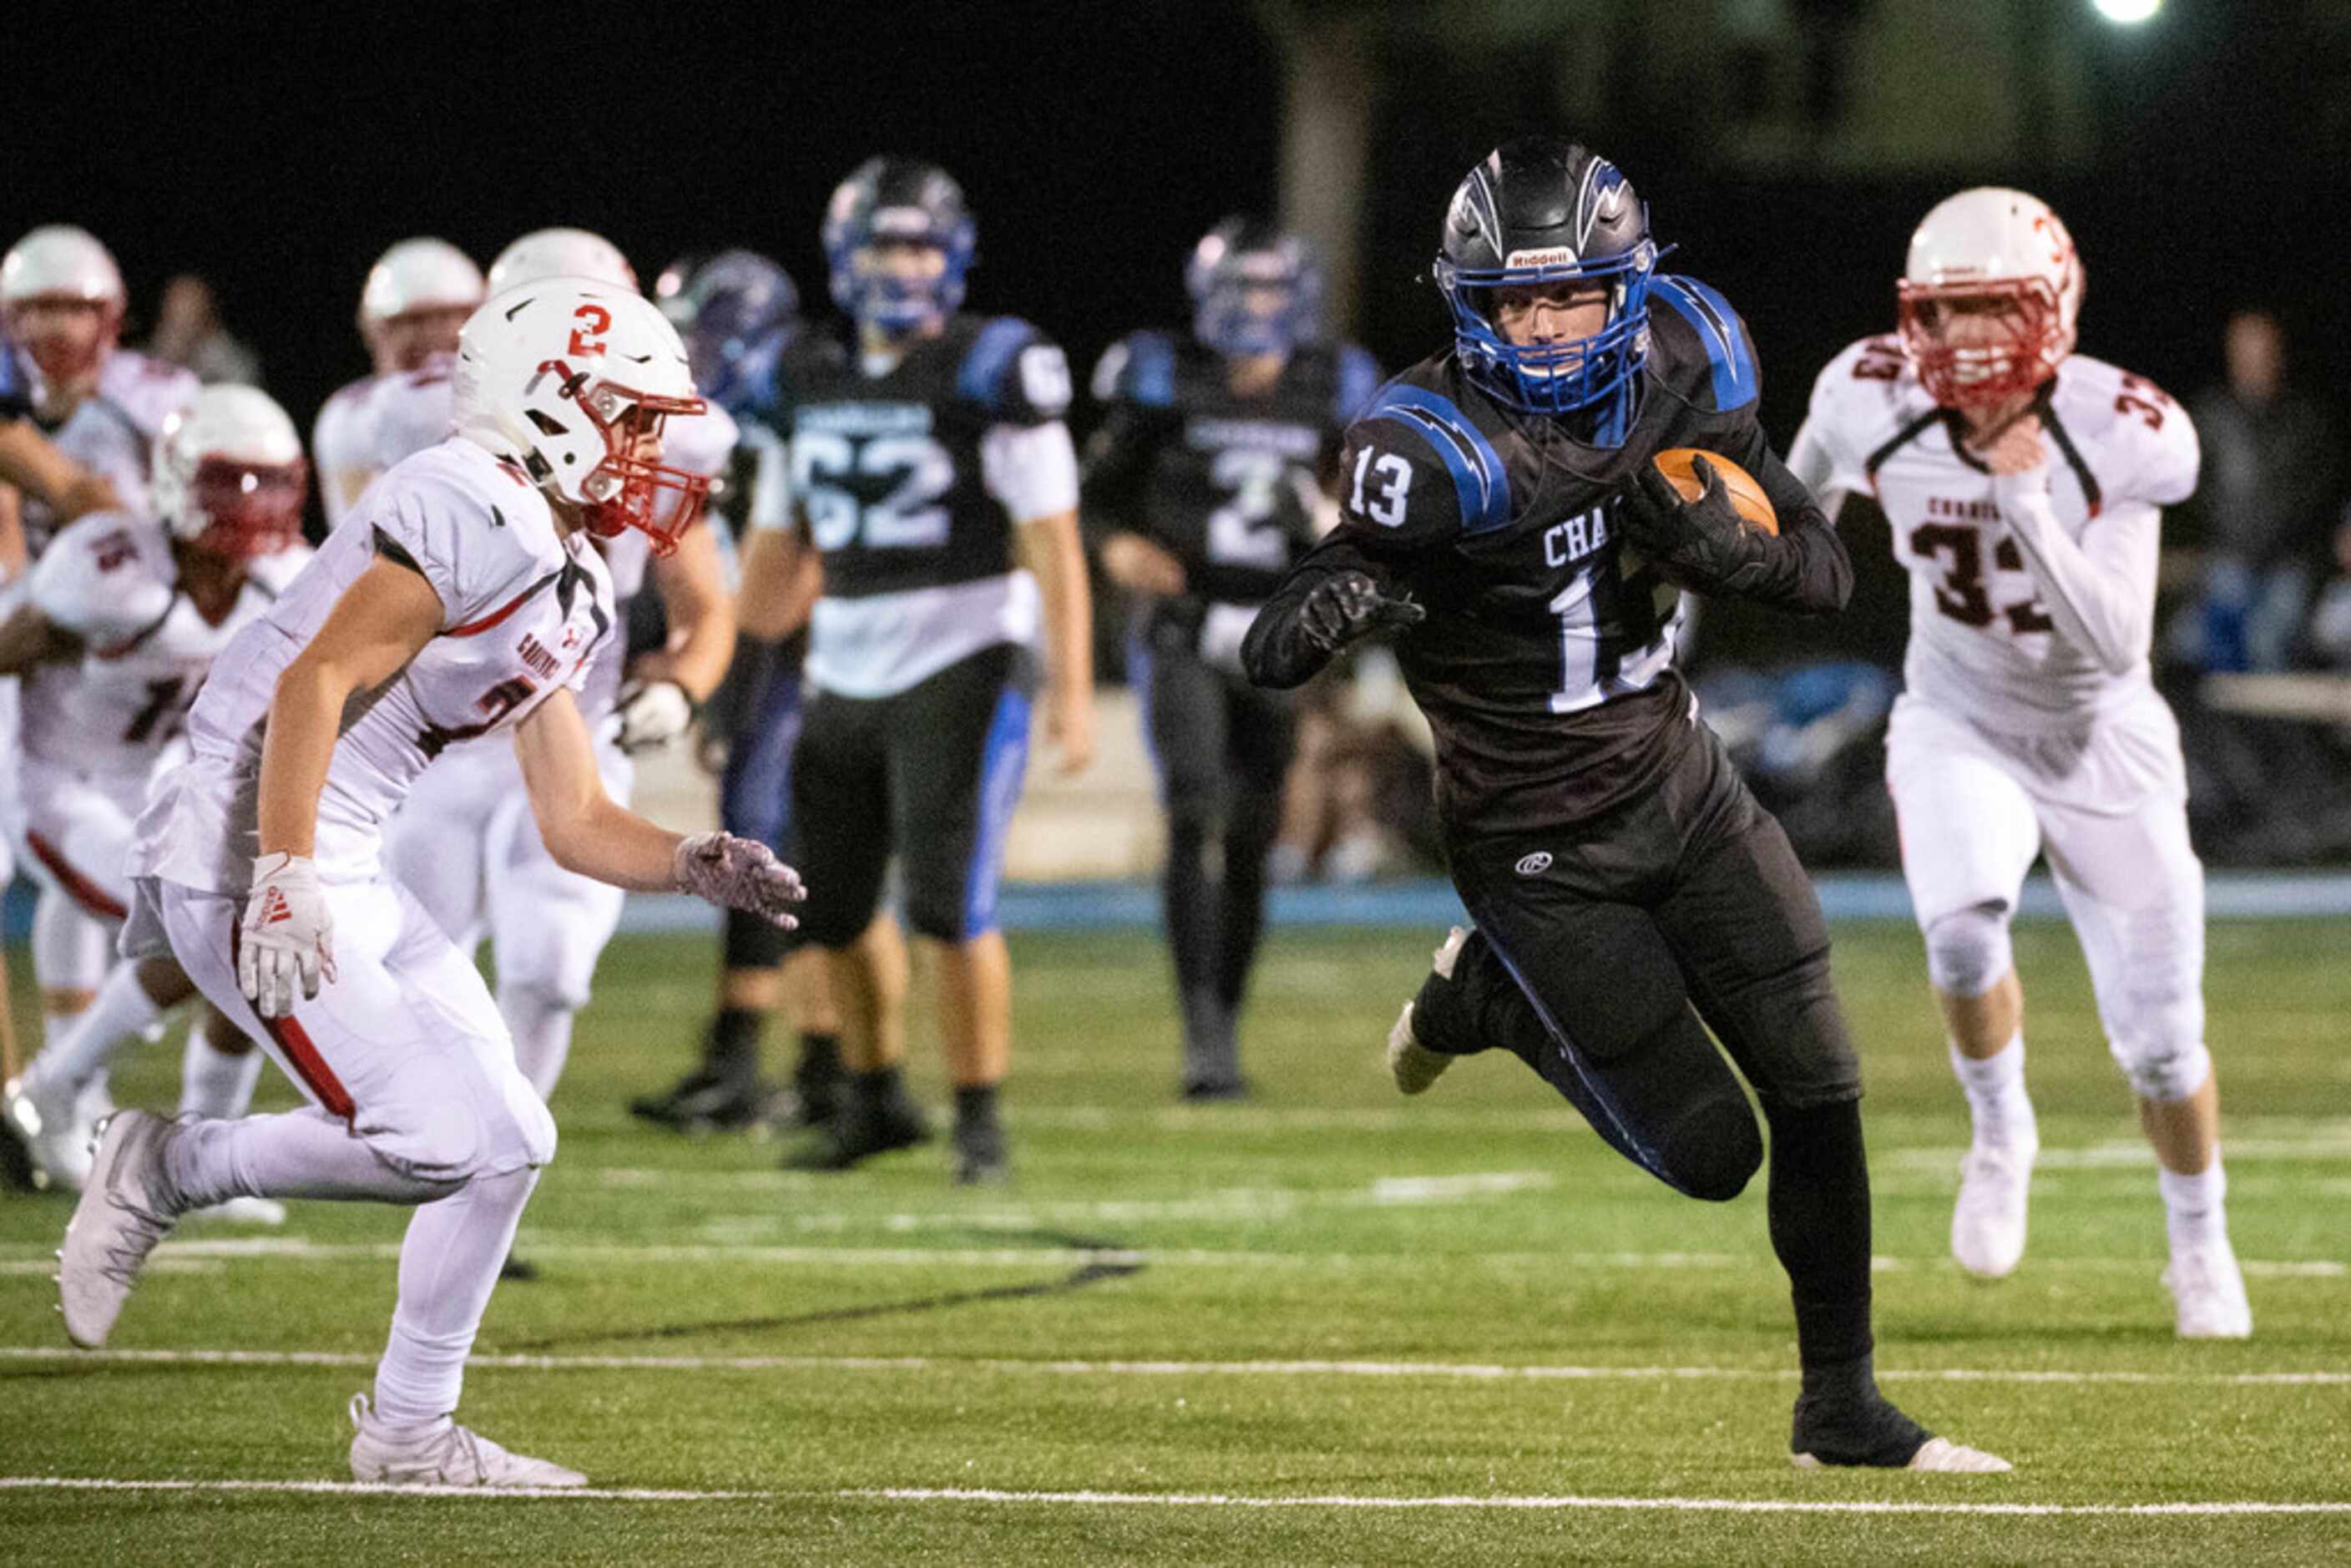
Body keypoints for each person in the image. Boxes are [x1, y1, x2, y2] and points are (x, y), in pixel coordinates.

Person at [1243, 137, 2005, 1472]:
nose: (1542, 328)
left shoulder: (1688, 361)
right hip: (1539, 845)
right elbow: (1277, 633)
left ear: (1629, 289)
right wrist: (1331, 611)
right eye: (1513, 304)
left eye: (1572, 298)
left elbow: (1825, 571)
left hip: (1684, 782)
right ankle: (1488, 997)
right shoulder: (1432, 449)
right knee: (1712, 1152)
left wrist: (1735, 549)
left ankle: (1840, 1408)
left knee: (1823, 1086)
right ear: (1467, 307)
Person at [53, 278, 803, 1486]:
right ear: (551, 402)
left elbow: (571, 816)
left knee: (510, 1137)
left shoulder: (567, 568)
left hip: (337, 851)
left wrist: (684, 862)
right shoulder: (471, 501)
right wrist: (285, 871)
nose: (651, 450)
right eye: (634, 417)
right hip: (244, 838)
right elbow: (312, 681)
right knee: (439, 1137)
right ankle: (169, 1162)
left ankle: (406, 1434)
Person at [1788, 188, 2248, 1338]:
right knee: (1957, 929)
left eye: (2001, 309)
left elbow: (2116, 644)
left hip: (2103, 738)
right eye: (1950, 311)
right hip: (1958, 718)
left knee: (2160, 1043)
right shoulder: (1866, 392)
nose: (1974, 339)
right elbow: (1793, 517)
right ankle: (2001, 1131)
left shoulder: (2129, 427)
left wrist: (2027, 505)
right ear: (1915, 316)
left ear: (2057, 308)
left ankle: (2199, 1238)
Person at [744, 157, 1092, 1184]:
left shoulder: (993, 365)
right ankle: (875, 1096)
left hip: (966, 645)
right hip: (842, 656)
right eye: (885, 245)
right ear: (844, 258)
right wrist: (721, 676)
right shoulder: (799, 374)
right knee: (834, 907)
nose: (902, 266)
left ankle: (979, 1116)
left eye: (921, 247)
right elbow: (774, 548)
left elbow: (1053, 542)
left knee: (948, 900)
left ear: (955, 258)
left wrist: (1070, 689)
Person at [381, 230, 737, 1146]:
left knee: (548, 971)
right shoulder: (416, 431)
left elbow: (705, 606)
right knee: (414, 981)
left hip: (570, 731)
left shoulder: (656, 437)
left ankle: (490, 1163)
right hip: (438, 746)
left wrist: (684, 689)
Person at [1084, 217, 1379, 1097]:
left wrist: (1336, 536)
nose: (1254, 311)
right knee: (1192, 809)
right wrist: (1113, 552)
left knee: (1253, 832)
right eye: (1239, 292)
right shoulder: (1162, 378)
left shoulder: (1333, 385)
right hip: (1183, 622)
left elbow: (1366, 505)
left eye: (1268, 292)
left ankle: (1226, 1016)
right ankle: (1200, 1030)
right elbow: (1093, 500)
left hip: (1280, 634)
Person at [0, 386, 309, 1208]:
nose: (251, 505)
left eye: (268, 482)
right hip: (58, 789)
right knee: (204, 930)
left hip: (160, 788)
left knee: (248, 941)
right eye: (229, 480)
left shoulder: (286, 576)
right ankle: (54, 1089)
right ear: (177, 481)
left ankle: (199, 1156)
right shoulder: (110, 565)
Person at [632, 250, 847, 1135]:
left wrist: (721, 683)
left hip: (817, 654)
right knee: (761, 840)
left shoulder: (797, 407)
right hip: (767, 653)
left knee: (778, 844)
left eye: (705, 335)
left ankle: (817, 1064)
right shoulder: (724, 424)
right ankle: (765, 1058)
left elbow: (797, 573)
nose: (691, 353)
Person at [3, 225, 198, 1083]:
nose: (56, 325)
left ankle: (57, 1081)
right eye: (38, 306)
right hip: (36, 633)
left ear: (110, 317)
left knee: (135, 840)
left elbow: (190, 511)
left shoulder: (151, 398)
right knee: (66, 854)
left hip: (129, 637)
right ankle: (57, 1080)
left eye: (74, 307)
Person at [2166, 309, 2338, 674]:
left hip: (2287, 565)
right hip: (2228, 559)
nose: (2256, 359)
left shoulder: (2306, 419)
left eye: (2265, 350)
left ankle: (2278, 733)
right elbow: (2194, 483)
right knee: (2201, 651)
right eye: (2247, 349)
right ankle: (2214, 734)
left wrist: (2286, 534)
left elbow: (2320, 493)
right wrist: (2226, 527)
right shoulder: (2212, 415)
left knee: (2270, 650)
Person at [312, 238, 484, 528]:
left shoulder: (506, 398)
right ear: (375, 329)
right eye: (413, 321)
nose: (433, 334)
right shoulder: (350, 415)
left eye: (447, 317)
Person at [142, 275, 263, 387]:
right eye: (174, 305)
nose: (179, 314)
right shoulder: (153, 349)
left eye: (188, 305)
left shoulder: (230, 360)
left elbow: (234, 396)